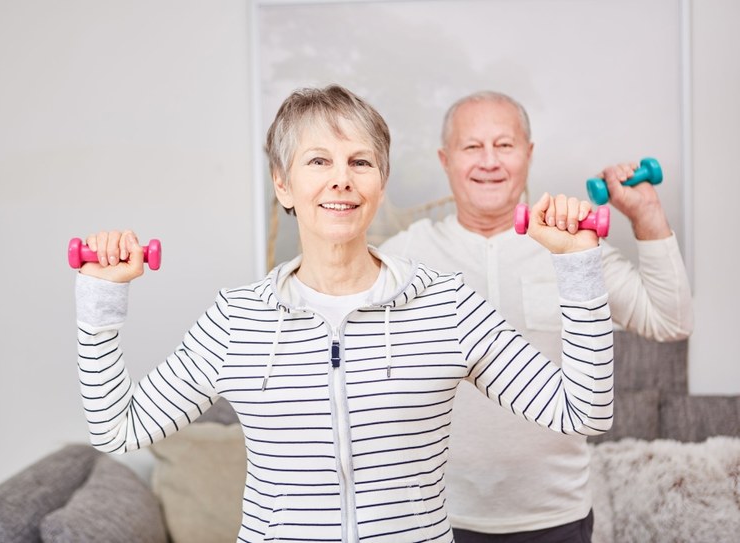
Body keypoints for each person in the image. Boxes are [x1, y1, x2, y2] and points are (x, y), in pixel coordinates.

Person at [74, 84, 615, 543]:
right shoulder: (236, 320)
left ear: (379, 184)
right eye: (317, 161)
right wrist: (100, 301)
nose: (341, 179)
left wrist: (578, 264)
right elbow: (118, 429)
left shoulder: (448, 305)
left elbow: (584, 412)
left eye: (360, 162)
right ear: (283, 185)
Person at [380, 90, 694, 542]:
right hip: (434, 520)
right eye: (472, 147)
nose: (489, 161)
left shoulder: (573, 248)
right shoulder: (404, 257)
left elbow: (671, 321)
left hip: (555, 519)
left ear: (528, 154)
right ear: (445, 159)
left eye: (504, 145)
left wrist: (646, 213)